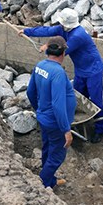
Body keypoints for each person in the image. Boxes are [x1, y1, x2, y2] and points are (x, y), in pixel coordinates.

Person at [19, 8, 103, 143]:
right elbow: (47, 31)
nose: (60, 25)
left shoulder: (78, 35)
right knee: (78, 96)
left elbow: (62, 51)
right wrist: (27, 31)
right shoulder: (63, 29)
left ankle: (100, 129)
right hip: (81, 69)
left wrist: (47, 47)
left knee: (95, 100)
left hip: (93, 69)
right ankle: (77, 120)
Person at [26, 36, 76, 188]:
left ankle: (49, 181)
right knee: (57, 155)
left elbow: (30, 92)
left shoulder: (40, 65)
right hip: (55, 123)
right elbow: (58, 104)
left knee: (48, 148)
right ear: (62, 53)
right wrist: (66, 130)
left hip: (44, 118)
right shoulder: (58, 73)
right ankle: (40, 184)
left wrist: (39, 110)